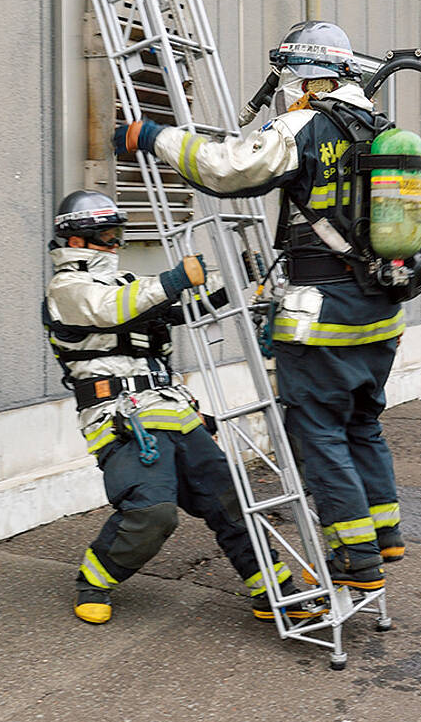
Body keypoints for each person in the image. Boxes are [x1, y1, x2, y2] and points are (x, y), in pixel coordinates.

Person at [114, 20, 405, 593]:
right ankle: (386, 532)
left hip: (326, 313)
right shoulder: (379, 126)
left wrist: (153, 137)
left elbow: (226, 168)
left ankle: (357, 560)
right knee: (363, 423)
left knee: (319, 430)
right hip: (383, 311)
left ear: (304, 76)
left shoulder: (305, 125)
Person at [43, 190, 323, 624]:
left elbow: (182, 310)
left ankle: (273, 590)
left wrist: (234, 283)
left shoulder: (126, 284)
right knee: (152, 511)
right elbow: (110, 310)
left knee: (232, 499)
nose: (116, 245)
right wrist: (173, 279)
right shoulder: (67, 290)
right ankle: (94, 580)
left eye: (119, 234)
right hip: (121, 418)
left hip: (174, 411)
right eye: (108, 235)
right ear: (75, 242)